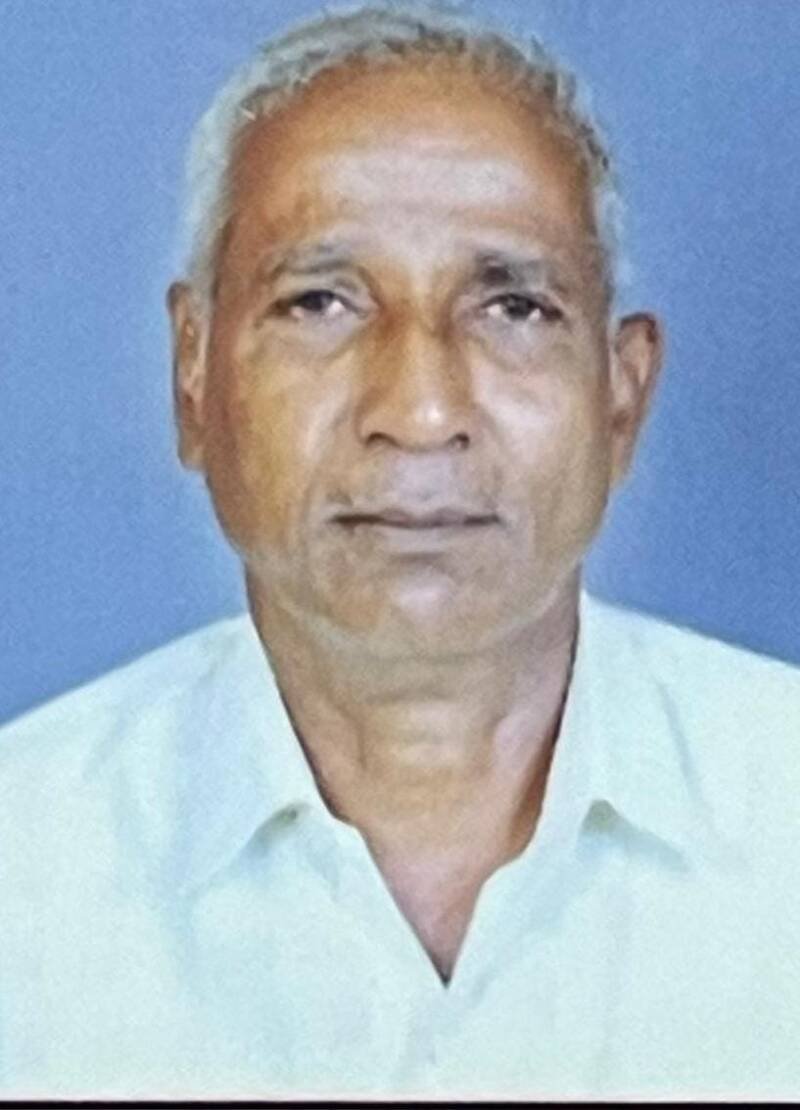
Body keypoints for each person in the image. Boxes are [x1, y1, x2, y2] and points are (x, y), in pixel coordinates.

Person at [1, 2, 799, 1100]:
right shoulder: (24, 859)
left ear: (623, 396)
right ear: (193, 376)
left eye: (513, 307)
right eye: (320, 302)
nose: (421, 411)